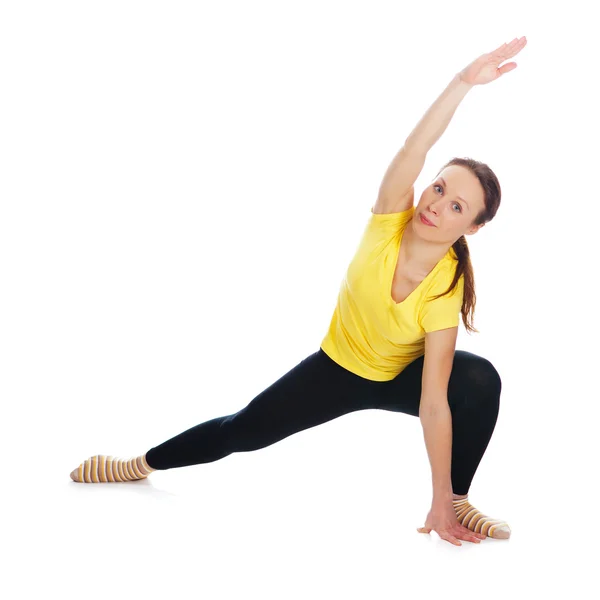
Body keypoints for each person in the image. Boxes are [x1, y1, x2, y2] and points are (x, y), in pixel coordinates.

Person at [70, 36, 527, 547]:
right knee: (239, 432)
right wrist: (463, 82)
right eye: (440, 188)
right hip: (337, 369)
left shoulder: (447, 285)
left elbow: (435, 402)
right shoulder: (389, 218)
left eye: (459, 207)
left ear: (474, 228)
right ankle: (137, 464)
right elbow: (413, 149)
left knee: (479, 379)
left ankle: (459, 502)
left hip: (401, 377)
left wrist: (440, 496)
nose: (439, 204)